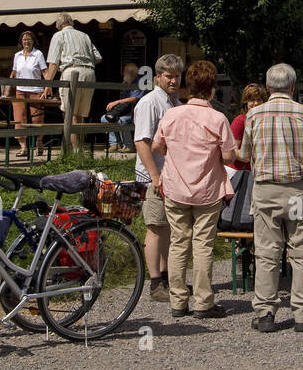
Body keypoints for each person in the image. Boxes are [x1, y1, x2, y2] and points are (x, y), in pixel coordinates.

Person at [238, 63, 303, 331]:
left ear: (267, 88)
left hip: (266, 190)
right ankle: (302, 314)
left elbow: (244, 154)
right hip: (298, 190)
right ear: (292, 86)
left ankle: (266, 313)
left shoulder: (254, 115)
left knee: (267, 253)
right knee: (301, 251)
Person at [151, 60, 234, 318]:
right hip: (207, 190)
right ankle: (203, 302)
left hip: (175, 188)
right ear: (211, 90)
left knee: (178, 243)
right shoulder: (217, 118)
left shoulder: (172, 114)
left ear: (188, 87)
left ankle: (178, 301)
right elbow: (229, 156)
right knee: (203, 245)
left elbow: (157, 147)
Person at [133, 53, 184, 303]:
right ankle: (154, 283)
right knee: (155, 227)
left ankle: (166, 277)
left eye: (177, 76)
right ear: (158, 77)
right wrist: (154, 174)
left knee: (168, 228)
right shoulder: (150, 102)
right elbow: (141, 141)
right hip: (154, 175)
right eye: (169, 76)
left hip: (171, 175)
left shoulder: (175, 102)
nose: (173, 81)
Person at [41, 13, 103, 151]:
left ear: (58, 25)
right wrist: (84, 60)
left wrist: (48, 86)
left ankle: (73, 151)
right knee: (81, 114)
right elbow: (98, 57)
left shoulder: (59, 35)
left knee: (70, 113)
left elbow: (53, 63)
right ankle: (79, 148)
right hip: (90, 72)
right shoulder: (84, 35)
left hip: (72, 71)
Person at [9, 31, 48, 156]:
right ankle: (23, 147)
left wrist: (48, 87)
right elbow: (14, 72)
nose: (26, 42)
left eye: (29, 39)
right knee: (19, 118)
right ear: (21, 42)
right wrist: (8, 86)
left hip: (35, 90)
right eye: (24, 39)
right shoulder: (17, 55)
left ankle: (39, 143)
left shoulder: (38, 54)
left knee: (37, 119)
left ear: (33, 41)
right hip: (20, 90)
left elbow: (45, 71)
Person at [99, 61, 143, 154]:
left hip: (133, 111)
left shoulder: (139, 83)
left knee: (121, 121)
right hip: (123, 110)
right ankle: (114, 144)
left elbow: (134, 98)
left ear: (131, 73)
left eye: (125, 72)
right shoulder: (126, 82)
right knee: (105, 119)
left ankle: (128, 145)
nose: (123, 74)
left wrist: (117, 102)